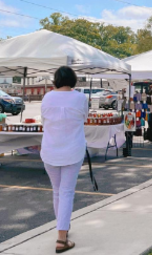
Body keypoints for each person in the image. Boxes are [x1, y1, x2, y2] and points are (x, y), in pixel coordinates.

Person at [41, 66, 88, 253]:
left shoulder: (47, 97)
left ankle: (63, 229)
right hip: (73, 150)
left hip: (50, 149)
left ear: (56, 80)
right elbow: (84, 118)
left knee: (57, 192)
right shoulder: (80, 98)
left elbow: (44, 121)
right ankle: (61, 238)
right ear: (73, 79)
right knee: (66, 192)